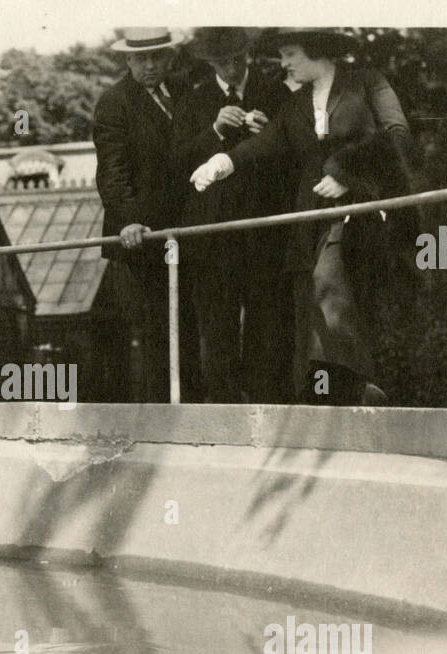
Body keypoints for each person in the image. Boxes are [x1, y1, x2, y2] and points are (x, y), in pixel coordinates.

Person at [190, 28, 414, 405]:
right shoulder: (296, 105)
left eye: (290, 54)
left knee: (333, 295)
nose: (284, 63)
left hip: (359, 218)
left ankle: (348, 389)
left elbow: (397, 135)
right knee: (311, 309)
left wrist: (346, 174)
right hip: (310, 224)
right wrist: (222, 162)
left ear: (316, 50)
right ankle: (337, 393)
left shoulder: (366, 82)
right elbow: (266, 143)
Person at [172, 27, 293, 403]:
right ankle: (222, 406)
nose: (232, 68)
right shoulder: (194, 101)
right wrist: (214, 131)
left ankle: (263, 401)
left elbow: (296, 155)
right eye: (223, 62)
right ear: (210, 64)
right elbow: (177, 165)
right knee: (217, 322)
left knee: (267, 319)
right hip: (214, 232)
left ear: (248, 55)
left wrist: (269, 135)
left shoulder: (275, 93)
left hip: (264, 228)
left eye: (238, 59)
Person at [93, 27, 194, 402]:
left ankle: (193, 421)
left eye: (158, 57)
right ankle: (156, 431)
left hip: (183, 234)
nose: (150, 66)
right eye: (141, 58)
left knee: (188, 330)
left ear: (171, 57)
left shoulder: (184, 91)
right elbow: (111, 170)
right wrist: (128, 220)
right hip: (141, 240)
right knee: (154, 335)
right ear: (128, 60)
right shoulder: (114, 102)